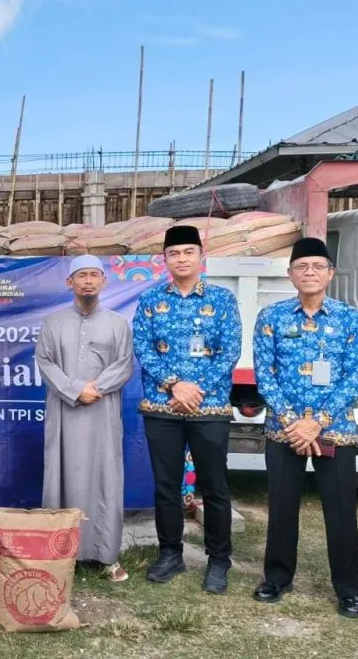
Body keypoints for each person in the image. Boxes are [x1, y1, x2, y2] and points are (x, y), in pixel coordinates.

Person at [251, 237, 358, 617]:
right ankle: (277, 577)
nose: (310, 272)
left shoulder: (351, 319)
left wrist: (316, 423)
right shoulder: (271, 317)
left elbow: (354, 378)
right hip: (283, 429)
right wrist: (293, 422)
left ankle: (348, 589)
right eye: (302, 266)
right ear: (290, 274)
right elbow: (264, 375)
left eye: (318, 266)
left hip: (334, 430)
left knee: (341, 510)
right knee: (282, 507)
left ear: (331, 273)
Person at [132, 224, 241, 594]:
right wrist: (173, 385)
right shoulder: (150, 300)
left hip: (209, 407)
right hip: (162, 405)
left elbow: (229, 350)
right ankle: (170, 553)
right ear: (164, 259)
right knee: (166, 485)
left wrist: (197, 389)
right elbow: (143, 347)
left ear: (200, 256)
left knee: (215, 486)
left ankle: (219, 559)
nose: (181, 259)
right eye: (174, 253)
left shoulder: (222, 299)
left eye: (188, 252)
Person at [36, 254, 135, 582]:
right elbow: (45, 362)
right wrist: (76, 389)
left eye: (94, 275)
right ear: (70, 282)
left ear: (104, 281)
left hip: (102, 415)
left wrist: (97, 388)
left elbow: (124, 365)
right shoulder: (52, 323)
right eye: (82, 275)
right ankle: (60, 553)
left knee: (105, 477)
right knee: (61, 478)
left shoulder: (118, 324)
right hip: (65, 412)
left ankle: (107, 555)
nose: (88, 281)